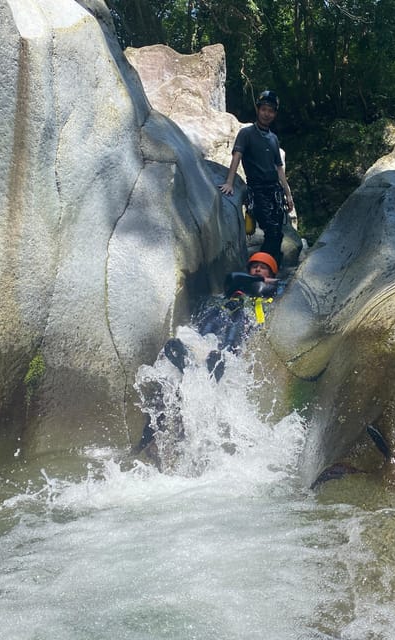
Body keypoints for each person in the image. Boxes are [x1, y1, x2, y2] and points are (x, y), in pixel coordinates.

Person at [137, 253, 282, 452]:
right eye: (254, 266)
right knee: (210, 322)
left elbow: (276, 296)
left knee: (236, 325)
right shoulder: (236, 288)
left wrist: (264, 284)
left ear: (272, 272)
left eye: (263, 267)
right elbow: (229, 285)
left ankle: (220, 359)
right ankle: (189, 352)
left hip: (245, 322)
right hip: (224, 313)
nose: (257, 269)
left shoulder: (271, 291)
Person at [219, 90, 295, 267]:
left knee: (278, 233)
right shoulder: (246, 134)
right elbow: (237, 157)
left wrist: (288, 194)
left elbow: (279, 168)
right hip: (257, 190)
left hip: (274, 191)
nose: (267, 114)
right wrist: (229, 182)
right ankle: (261, 270)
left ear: (274, 114)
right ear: (258, 109)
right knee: (271, 230)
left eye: (271, 111)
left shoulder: (273, 139)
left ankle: (271, 269)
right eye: (264, 109)